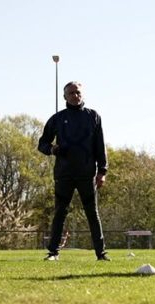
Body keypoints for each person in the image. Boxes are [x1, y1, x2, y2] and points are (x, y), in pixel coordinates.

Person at [37, 81, 109, 261]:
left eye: (77, 92)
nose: (75, 96)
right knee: (60, 213)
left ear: (82, 94)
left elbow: (100, 146)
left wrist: (102, 171)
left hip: (87, 174)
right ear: (64, 97)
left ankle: (101, 254)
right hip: (64, 174)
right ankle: (53, 253)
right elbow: (42, 144)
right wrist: (52, 149)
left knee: (92, 213)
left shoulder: (93, 116)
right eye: (71, 93)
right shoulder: (57, 118)